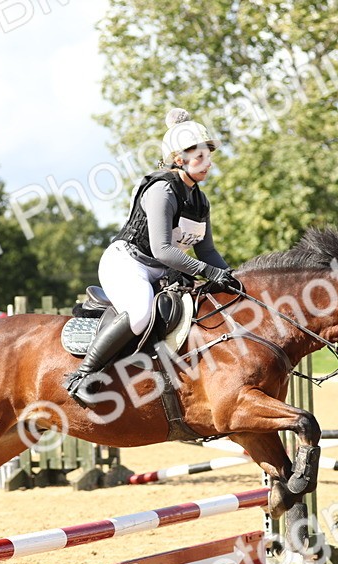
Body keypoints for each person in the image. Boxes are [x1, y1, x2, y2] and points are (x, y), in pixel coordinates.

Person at [64, 108, 240, 406]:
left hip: (163, 269)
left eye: (208, 155)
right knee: (140, 312)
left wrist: (232, 278)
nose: (207, 162)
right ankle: (82, 376)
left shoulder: (200, 199)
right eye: (199, 155)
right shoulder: (162, 190)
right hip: (128, 262)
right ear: (178, 158)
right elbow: (162, 250)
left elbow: (206, 250)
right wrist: (209, 273)